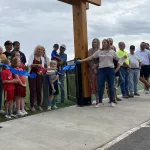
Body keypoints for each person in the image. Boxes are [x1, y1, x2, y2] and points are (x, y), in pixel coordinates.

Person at [78, 39, 122, 108]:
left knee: (111, 86)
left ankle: (112, 101)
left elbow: (120, 59)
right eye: (102, 43)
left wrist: (124, 64)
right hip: (101, 70)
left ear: (108, 44)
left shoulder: (112, 52)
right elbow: (91, 57)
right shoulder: (99, 52)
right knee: (100, 86)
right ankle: (100, 102)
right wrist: (82, 60)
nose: (103, 44)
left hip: (110, 69)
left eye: (104, 43)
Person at [28, 45, 44, 112]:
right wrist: (37, 65)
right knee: (32, 89)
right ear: (36, 50)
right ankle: (32, 106)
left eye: (41, 49)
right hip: (32, 73)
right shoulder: (32, 56)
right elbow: (29, 65)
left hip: (39, 74)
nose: (39, 50)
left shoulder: (42, 58)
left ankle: (39, 105)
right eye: (38, 49)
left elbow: (42, 67)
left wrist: (41, 71)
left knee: (39, 89)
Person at [87, 39, 100, 104]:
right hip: (92, 69)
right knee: (93, 84)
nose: (93, 43)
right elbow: (89, 59)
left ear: (98, 43)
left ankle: (99, 98)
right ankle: (94, 98)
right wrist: (93, 67)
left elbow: (102, 59)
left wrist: (97, 65)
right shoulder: (90, 50)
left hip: (100, 68)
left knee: (98, 84)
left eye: (95, 42)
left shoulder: (100, 50)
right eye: (93, 42)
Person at [0, 46, 6, 114]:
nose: (0, 51)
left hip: (1, 75)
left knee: (0, 92)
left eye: (1, 50)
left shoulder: (4, 56)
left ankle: (0, 108)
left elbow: (6, 63)